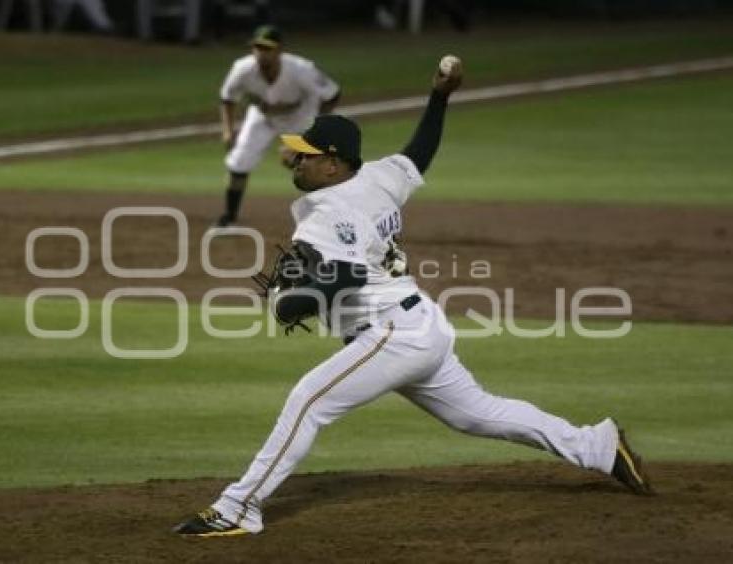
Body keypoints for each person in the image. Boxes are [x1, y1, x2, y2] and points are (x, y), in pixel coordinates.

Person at [175, 56, 653, 537]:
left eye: (307, 153)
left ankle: (238, 507)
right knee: (480, 414)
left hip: (392, 335)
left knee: (308, 400)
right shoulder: (379, 176)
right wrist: (440, 96)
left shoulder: (329, 213)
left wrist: (286, 299)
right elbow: (421, 151)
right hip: (420, 326)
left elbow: (342, 281)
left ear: (334, 163)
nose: (296, 159)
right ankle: (598, 445)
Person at [213, 25, 341, 228]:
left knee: (307, 165)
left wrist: (312, 134)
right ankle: (229, 216)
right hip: (262, 117)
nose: (261, 53)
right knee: (239, 162)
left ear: (279, 50)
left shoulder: (301, 69)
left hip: (299, 117)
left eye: (267, 48)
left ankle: (328, 217)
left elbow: (332, 94)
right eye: (258, 47)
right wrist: (228, 130)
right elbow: (228, 98)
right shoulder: (242, 69)